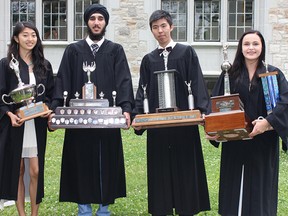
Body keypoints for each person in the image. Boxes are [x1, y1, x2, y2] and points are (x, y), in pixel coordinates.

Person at [49, 3, 134, 216]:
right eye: (93, 18)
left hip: (108, 119)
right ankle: (84, 208)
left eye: (100, 19)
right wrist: (55, 108)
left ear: (105, 22)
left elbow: (124, 80)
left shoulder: (115, 50)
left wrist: (126, 108)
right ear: (86, 22)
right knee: (81, 160)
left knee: (107, 160)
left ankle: (104, 208)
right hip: (79, 120)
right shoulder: (73, 50)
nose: (96, 23)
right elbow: (63, 80)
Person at [133, 10, 211, 216]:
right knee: (160, 171)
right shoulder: (148, 60)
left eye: (163, 26)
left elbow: (197, 82)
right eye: (155, 27)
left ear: (171, 27)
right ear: (151, 31)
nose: (160, 31)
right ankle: (162, 209)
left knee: (185, 169)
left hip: (184, 126)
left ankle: (187, 210)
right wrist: (138, 116)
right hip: (158, 128)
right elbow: (143, 89)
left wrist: (202, 111)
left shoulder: (186, 53)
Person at [207, 30, 288, 215]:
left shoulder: (272, 75)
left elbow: (285, 103)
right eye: (246, 44)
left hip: (263, 142)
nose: (251, 48)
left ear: (262, 47)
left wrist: (267, 123)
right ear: (240, 48)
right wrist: (213, 127)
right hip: (235, 141)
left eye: (255, 44)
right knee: (233, 186)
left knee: (261, 190)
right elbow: (216, 101)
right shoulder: (230, 74)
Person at [0, 21, 54, 216]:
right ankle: (22, 214)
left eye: (33, 35)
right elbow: (1, 94)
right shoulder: (6, 65)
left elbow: (50, 94)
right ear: (16, 38)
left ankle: (34, 214)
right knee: (18, 169)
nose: (30, 39)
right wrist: (9, 113)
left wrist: (49, 110)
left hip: (36, 123)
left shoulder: (44, 65)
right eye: (25, 35)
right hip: (17, 124)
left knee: (35, 171)